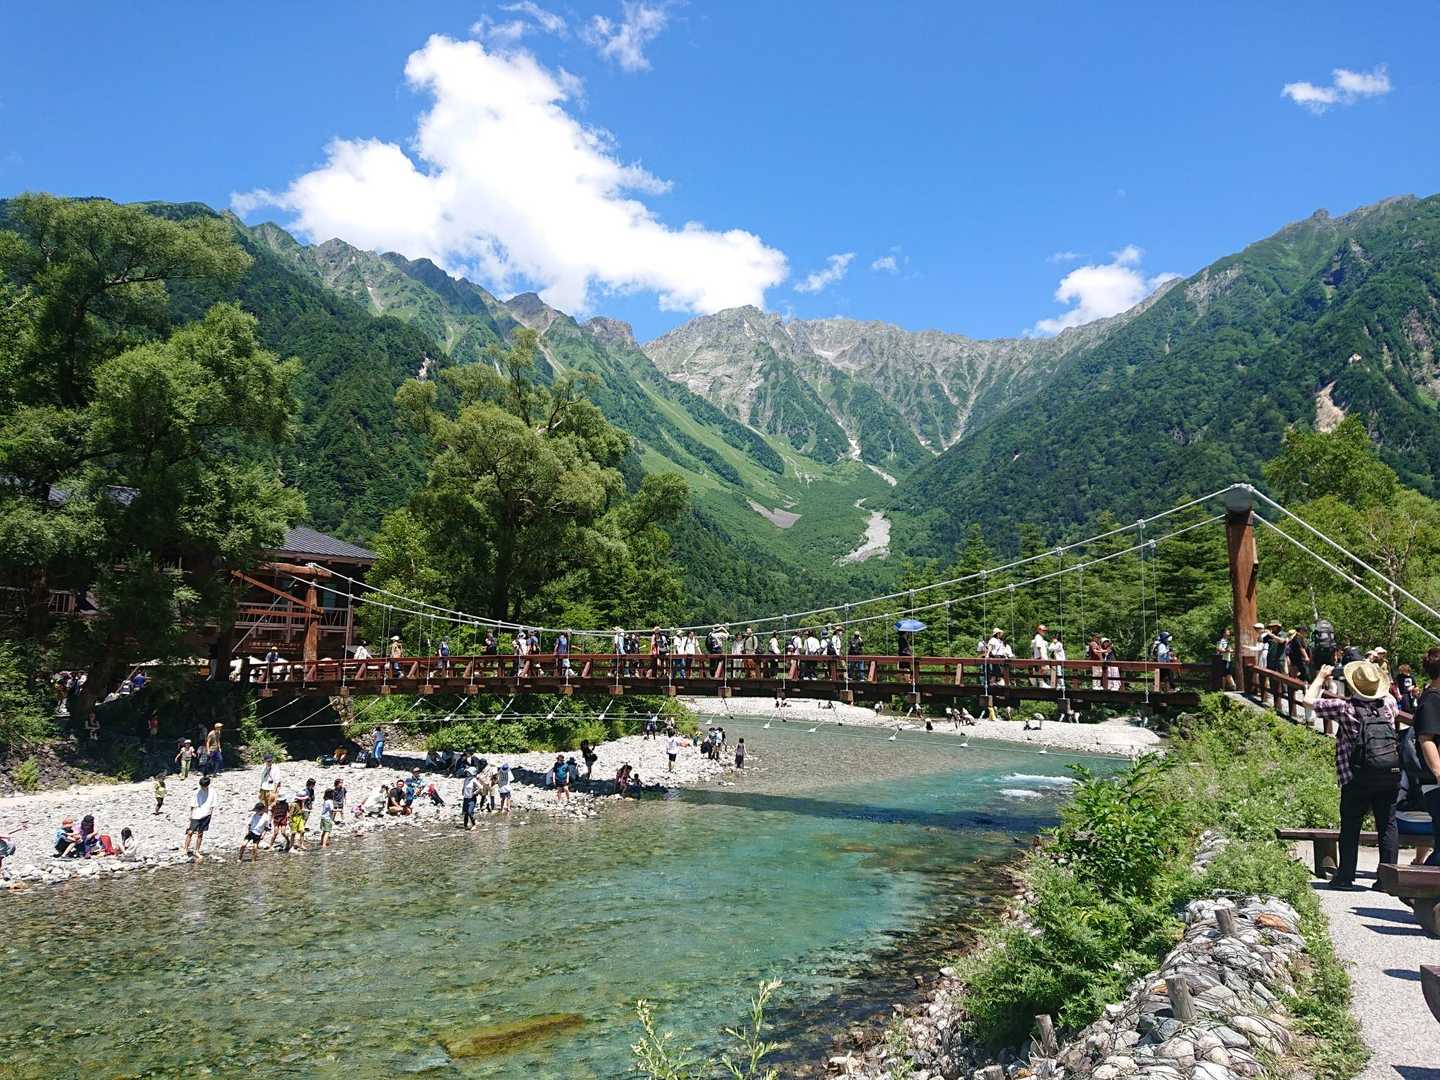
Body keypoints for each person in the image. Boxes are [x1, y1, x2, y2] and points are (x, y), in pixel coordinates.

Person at [1306, 660, 1402, 889]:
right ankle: (1387, 880)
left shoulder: (1343, 708)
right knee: (1387, 825)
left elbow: (1308, 701)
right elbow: (1392, 703)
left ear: (1352, 685)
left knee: (1350, 827)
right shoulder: (1389, 704)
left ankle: (1345, 877)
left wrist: (1320, 677)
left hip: (1355, 777)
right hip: (1389, 775)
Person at [1413, 648, 1440, 866]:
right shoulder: (1431, 699)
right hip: (1436, 782)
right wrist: (1438, 772)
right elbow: (1426, 738)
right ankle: (1420, 883)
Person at [184, 776, 216, 859]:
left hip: (206, 814)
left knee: (200, 833)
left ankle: (197, 851)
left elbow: (213, 804)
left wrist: (210, 814)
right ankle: (185, 849)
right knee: (190, 832)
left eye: (203, 786)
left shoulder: (212, 792)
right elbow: (192, 804)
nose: (202, 787)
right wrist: (191, 815)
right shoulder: (197, 792)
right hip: (196, 814)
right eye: (201, 786)